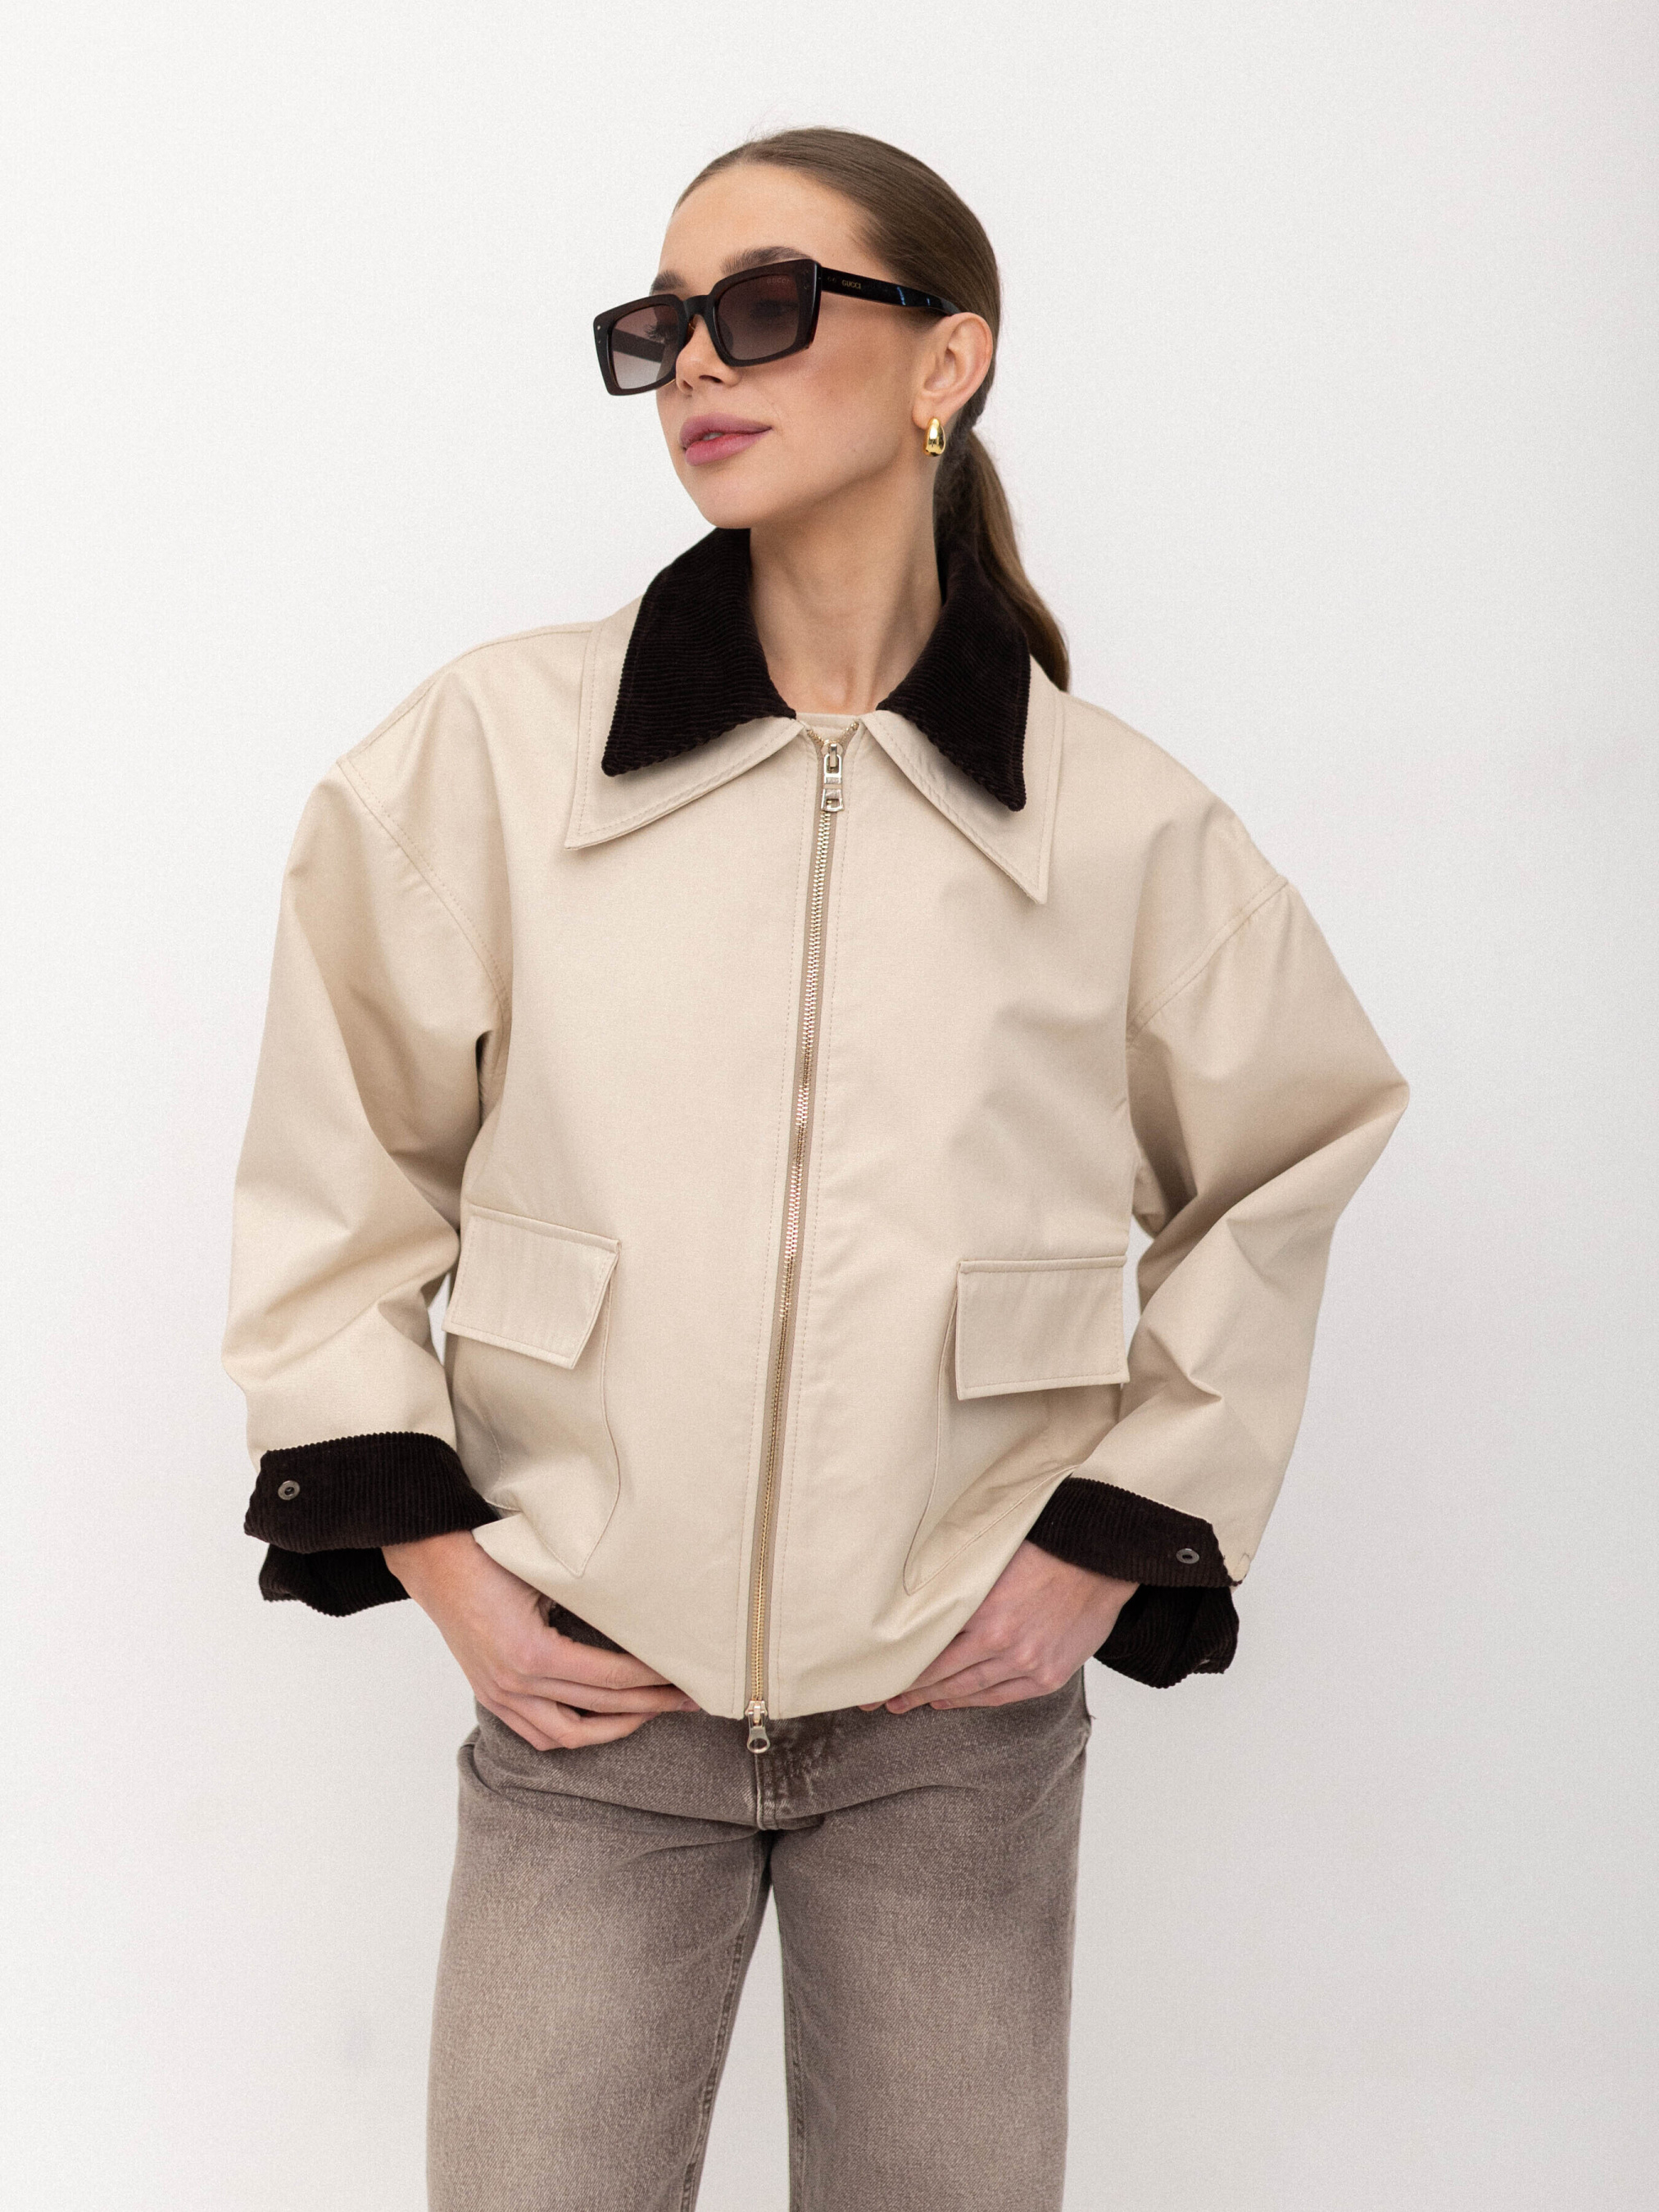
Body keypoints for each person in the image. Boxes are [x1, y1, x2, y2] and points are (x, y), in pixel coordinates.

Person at [223, 126, 1407, 2212]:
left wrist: (1104, 1542)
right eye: (660, 325)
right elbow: (339, 1176)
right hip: (593, 1702)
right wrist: (444, 1567)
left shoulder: (1114, 825)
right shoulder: (491, 756)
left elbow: (1291, 1143)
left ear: (947, 361)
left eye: (762, 307)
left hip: (953, 1725)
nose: (695, 360)